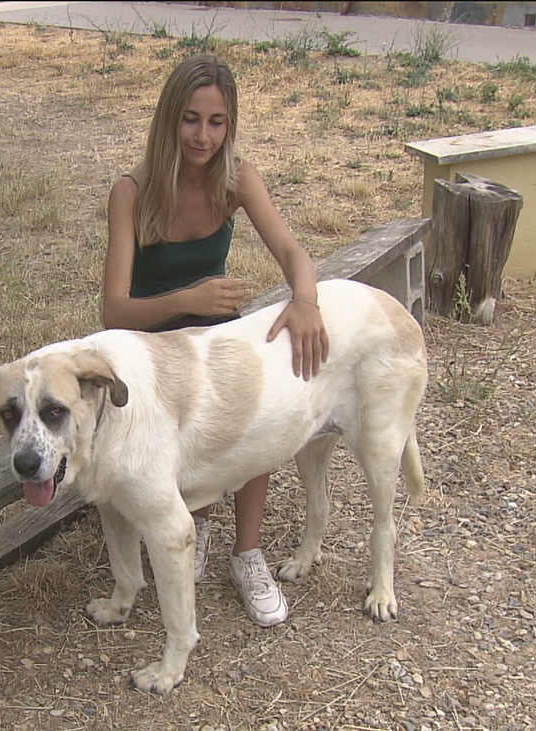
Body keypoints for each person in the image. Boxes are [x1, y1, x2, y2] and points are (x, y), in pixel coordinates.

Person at [100, 54, 329, 628]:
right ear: (168, 119)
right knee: (180, 443)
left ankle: (247, 553)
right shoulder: (131, 192)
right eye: (191, 119)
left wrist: (305, 301)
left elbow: (293, 252)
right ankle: (195, 522)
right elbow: (114, 310)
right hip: (149, 346)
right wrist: (188, 300)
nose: (203, 135)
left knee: (261, 410)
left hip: (214, 337)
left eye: (217, 121)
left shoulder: (237, 180)